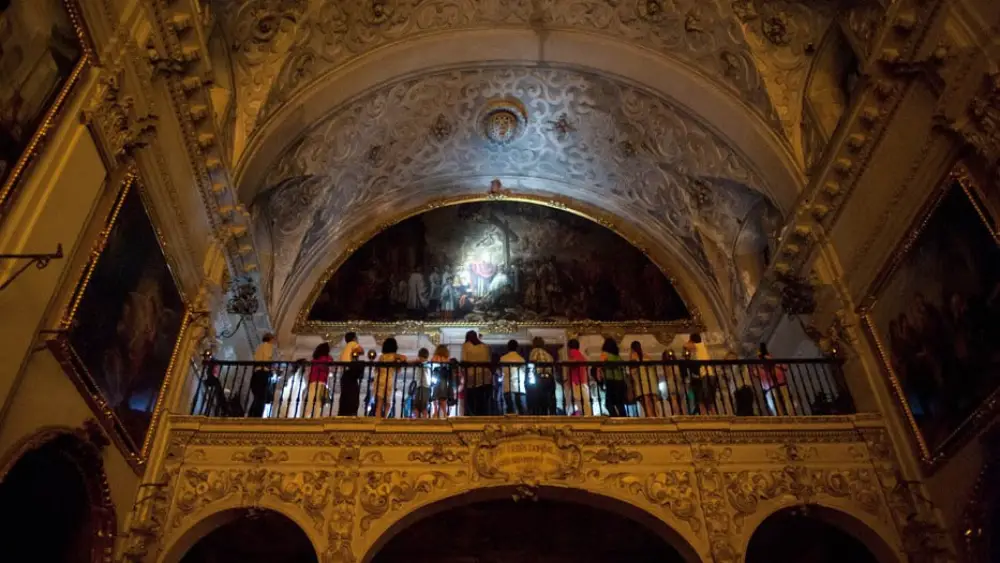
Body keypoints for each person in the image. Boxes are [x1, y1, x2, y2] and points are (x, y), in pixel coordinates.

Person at [757, 343, 792, 416]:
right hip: (770, 390)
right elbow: (755, 374)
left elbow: (785, 367)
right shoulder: (759, 369)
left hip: (782, 386)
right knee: (776, 410)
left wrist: (772, 361)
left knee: (788, 407)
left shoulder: (775, 364)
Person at [683, 333, 715, 414]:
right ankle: (710, 414)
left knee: (705, 398)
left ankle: (710, 415)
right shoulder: (703, 347)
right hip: (708, 374)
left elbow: (686, 345)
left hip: (705, 375)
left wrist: (689, 342)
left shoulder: (699, 345)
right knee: (705, 398)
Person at [461, 330, 491, 416]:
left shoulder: (466, 346)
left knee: (471, 399)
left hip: (471, 376)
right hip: (484, 376)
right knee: (482, 400)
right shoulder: (485, 347)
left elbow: (464, 360)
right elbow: (488, 361)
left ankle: (472, 417)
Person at [375, 338, 406, 419]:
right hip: (388, 380)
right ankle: (384, 418)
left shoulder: (381, 356)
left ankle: (377, 420)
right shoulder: (394, 356)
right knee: (388, 403)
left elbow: (376, 369)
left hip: (379, 380)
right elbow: (404, 358)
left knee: (379, 404)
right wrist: (398, 361)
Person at [248, 333, 276, 417]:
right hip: (263, 373)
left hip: (257, 373)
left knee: (257, 396)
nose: (274, 342)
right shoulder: (268, 346)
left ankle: (251, 415)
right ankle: (257, 416)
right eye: (273, 340)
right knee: (262, 396)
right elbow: (267, 358)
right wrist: (272, 370)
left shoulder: (259, 347)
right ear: (270, 339)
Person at [599, 338, 627, 417]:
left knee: (608, 403)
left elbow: (601, 364)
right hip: (620, 381)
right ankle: (623, 419)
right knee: (619, 403)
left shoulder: (605, 354)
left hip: (611, 380)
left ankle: (614, 417)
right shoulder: (618, 357)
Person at [338, 332, 364, 416]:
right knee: (353, 396)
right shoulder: (353, 343)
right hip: (351, 372)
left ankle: (343, 414)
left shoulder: (344, 349)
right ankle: (351, 414)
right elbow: (361, 350)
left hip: (344, 374)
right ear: (354, 338)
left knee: (345, 397)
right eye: (357, 338)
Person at [629, 341, 658, 418]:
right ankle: (658, 420)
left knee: (646, 404)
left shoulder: (633, 356)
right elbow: (654, 369)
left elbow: (633, 372)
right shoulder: (647, 356)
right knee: (654, 405)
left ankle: (651, 421)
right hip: (652, 382)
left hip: (642, 382)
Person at [304, 342, 332, 418]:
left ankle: (307, 416)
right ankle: (316, 417)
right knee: (318, 401)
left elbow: (312, 371)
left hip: (313, 380)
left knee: (310, 400)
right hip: (321, 380)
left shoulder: (315, 359)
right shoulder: (327, 358)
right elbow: (327, 367)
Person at [528, 337, 555, 415]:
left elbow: (532, 362)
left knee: (537, 398)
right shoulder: (548, 354)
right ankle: (546, 413)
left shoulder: (534, 351)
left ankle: (539, 414)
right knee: (546, 398)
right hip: (549, 377)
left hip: (539, 377)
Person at [564, 339, 591, 416]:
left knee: (574, 401)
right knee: (585, 402)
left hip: (575, 381)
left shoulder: (573, 352)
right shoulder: (581, 355)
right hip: (583, 381)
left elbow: (574, 362)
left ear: (569, 347)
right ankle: (587, 416)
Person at [500, 339, 526, 414]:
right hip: (519, 387)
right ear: (517, 348)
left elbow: (501, 372)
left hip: (507, 387)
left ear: (508, 348)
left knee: (510, 411)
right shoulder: (521, 359)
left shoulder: (503, 358)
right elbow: (524, 372)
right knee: (521, 411)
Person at [430, 345, 453, 418]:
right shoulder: (446, 358)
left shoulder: (436, 357)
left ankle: (436, 412)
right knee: (442, 397)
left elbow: (431, 362)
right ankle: (445, 413)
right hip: (444, 378)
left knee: (435, 395)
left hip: (437, 377)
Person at [413, 348, 432, 418]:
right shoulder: (427, 363)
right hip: (423, 386)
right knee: (420, 406)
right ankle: (422, 421)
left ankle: (420, 421)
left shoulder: (423, 363)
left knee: (420, 406)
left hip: (422, 385)